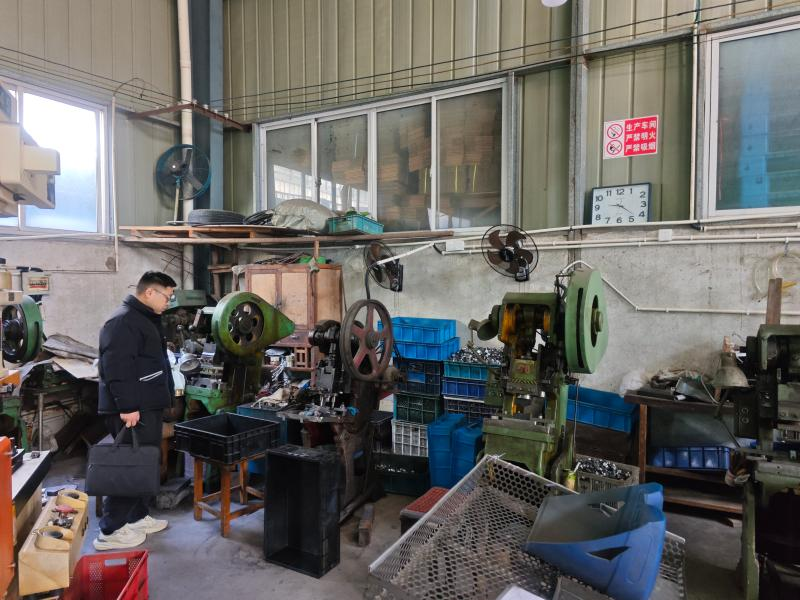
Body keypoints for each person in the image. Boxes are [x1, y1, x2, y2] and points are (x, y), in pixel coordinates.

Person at [93, 271, 177, 550]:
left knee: (145, 462)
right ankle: (111, 530)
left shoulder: (144, 319)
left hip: (146, 405)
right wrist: (128, 406)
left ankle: (136, 517)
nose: (168, 302)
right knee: (128, 466)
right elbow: (116, 367)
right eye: (167, 296)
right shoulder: (123, 322)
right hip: (131, 409)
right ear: (150, 292)